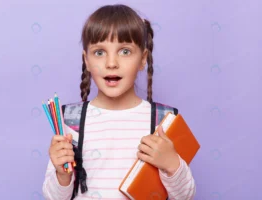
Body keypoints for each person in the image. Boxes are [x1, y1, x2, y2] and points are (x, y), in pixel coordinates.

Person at [42, 4, 196, 200]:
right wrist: (62, 175)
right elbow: (53, 197)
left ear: (143, 59)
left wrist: (172, 165)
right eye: (99, 52)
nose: (111, 63)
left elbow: (185, 196)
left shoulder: (163, 122)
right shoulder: (71, 121)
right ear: (86, 60)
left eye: (125, 51)